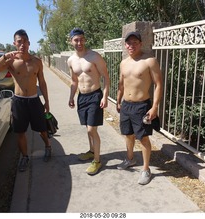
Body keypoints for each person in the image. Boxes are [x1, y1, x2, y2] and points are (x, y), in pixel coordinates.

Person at [0, 29, 51, 172]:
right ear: (14, 43)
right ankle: (24, 157)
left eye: (25, 41)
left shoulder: (36, 62)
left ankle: (48, 146)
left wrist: (47, 101)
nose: (22, 44)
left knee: (42, 129)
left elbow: (42, 82)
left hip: (34, 100)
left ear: (29, 43)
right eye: (19, 42)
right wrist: (5, 56)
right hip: (19, 101)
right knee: (20, 132)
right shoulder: (11, 61)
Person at [116, 31, 163, 185]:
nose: (132, 45)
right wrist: (118, 100)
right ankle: (130, 159)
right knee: (128, 135)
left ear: (140, 44)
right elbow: (121, 84)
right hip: (126, 105)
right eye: (129, 43)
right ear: (125, 45)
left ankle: (146, 169)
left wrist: (155, 106)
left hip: (141, 105)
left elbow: (158, 85)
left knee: (143, 138)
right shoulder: (123, 63)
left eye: (135, 42)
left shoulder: (149, 61)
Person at [67, 28, 110, 175]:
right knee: (87, 128)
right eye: (76, 40)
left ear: (85, 40)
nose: (79, 42)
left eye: (82, 39)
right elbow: (74, 81)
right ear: (71, 41)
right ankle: (92, 151)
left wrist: (104, 96)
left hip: (95, 96)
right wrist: (71, 96)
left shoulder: (94, 56)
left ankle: (97, 161)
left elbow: (106, 77)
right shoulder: (71, 60)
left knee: (92, 129)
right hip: (82, 97)